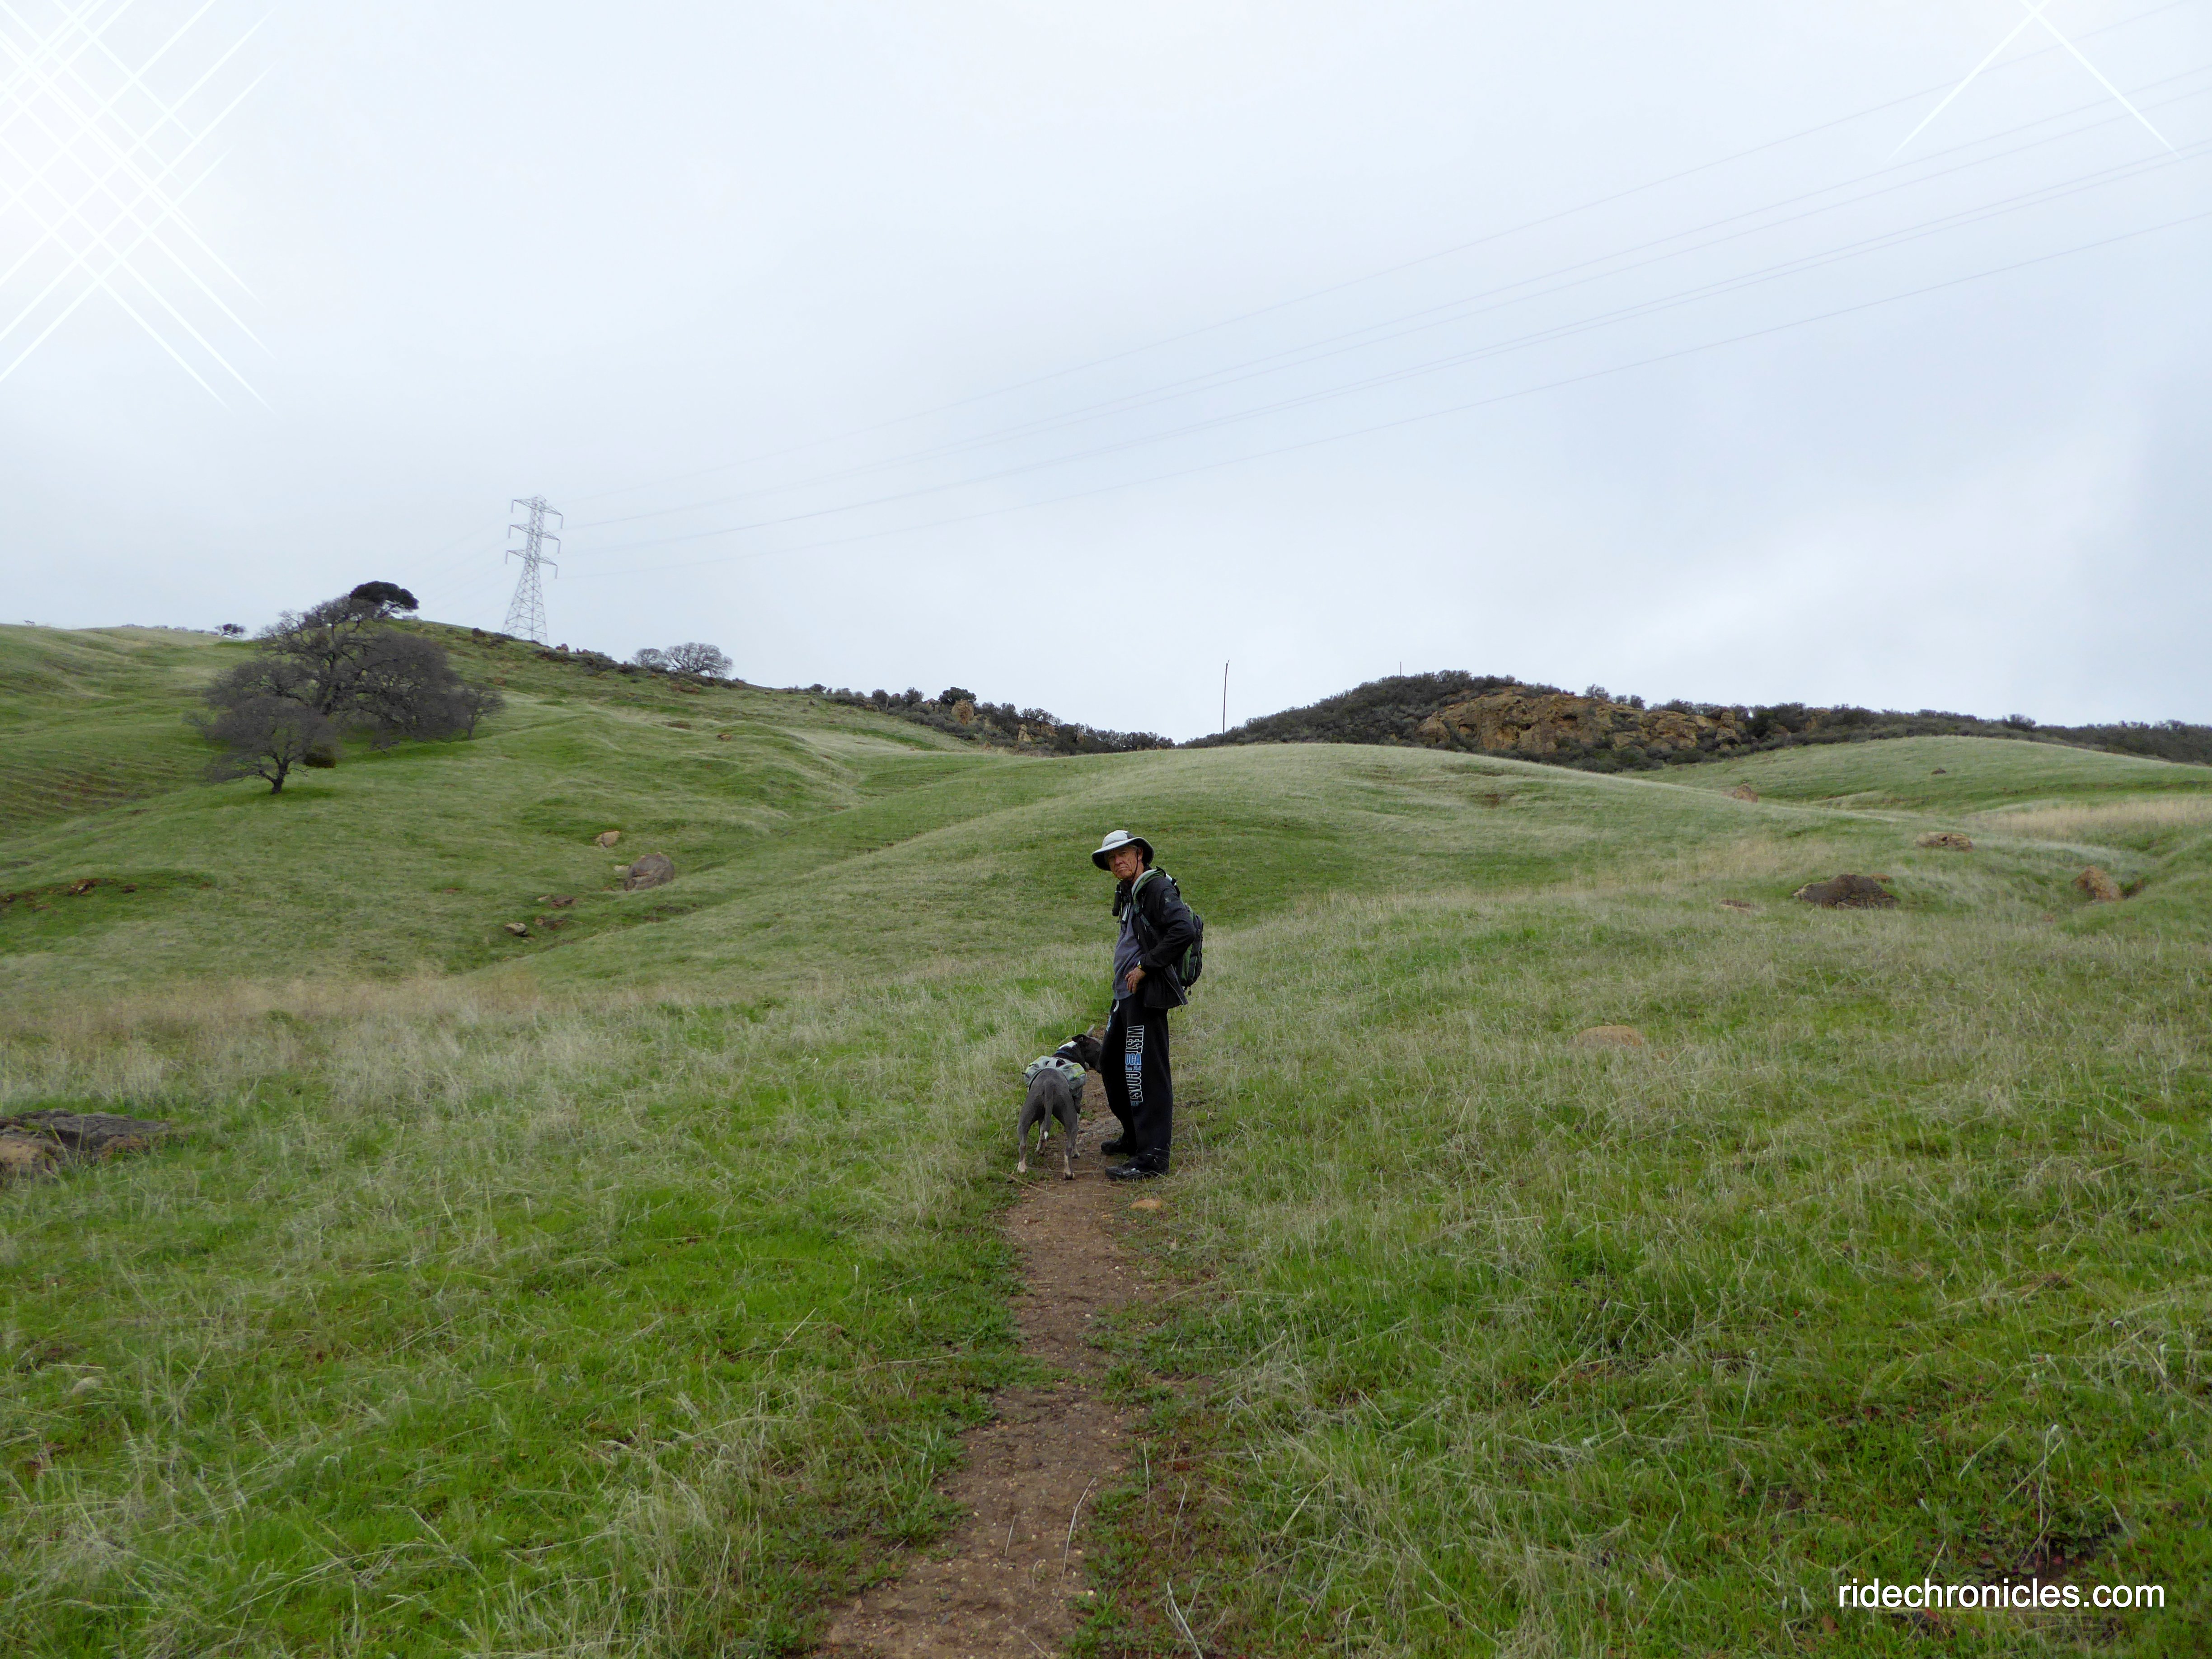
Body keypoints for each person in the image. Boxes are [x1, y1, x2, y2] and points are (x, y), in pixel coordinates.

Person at [1091, 829, 1199, 1180]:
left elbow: (1184, 930)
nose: (1117, 861)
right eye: (1111, 857)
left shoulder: (1156, 888)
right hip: (1125, 994)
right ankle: (1135, 1136)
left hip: (1146, 994)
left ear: (1139, 854)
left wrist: (1145, 967)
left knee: (1144, 1072)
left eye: (1123, 854)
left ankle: (1152, 1158)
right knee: (1111, 1063)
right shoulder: (1130, 891)